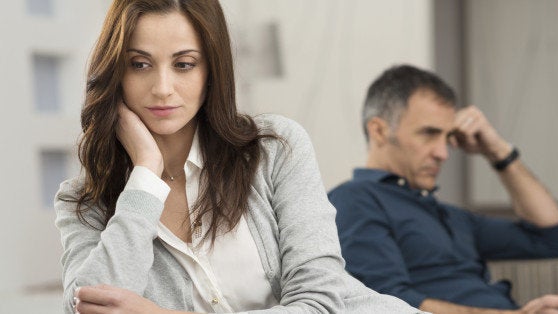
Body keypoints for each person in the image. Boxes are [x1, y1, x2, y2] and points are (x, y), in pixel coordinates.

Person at [54, 1, 425, 313]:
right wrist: (146, 173)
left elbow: (319, 302)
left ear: (212, 71)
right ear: (115, 73)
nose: (162, 89)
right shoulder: (82, 202)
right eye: (139, 64)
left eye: (184, 64)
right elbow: (89, 306)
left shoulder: (276, 148)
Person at [328, 64, 558, 314]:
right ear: (379, 131)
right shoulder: (354, 200)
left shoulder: (451, 216)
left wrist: (497, 151)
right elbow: (389, 303)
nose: (443, 153)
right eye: (429, 133)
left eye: (447, 137)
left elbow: (553, 239)